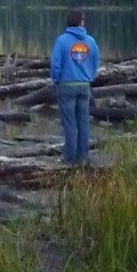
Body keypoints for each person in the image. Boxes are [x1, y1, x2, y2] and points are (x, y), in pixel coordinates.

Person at [50, 9, 100, 165]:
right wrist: (89, 77)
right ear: (81, 22)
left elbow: (55, 65)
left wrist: (56, 80)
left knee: (70, 123)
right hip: (84, 86)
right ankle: (83, 157)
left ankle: (70, 158)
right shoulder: (90, 41)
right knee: (83, 122)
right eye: (83, 19)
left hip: (66, 86)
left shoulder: (62, 41)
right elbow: (95, 62)